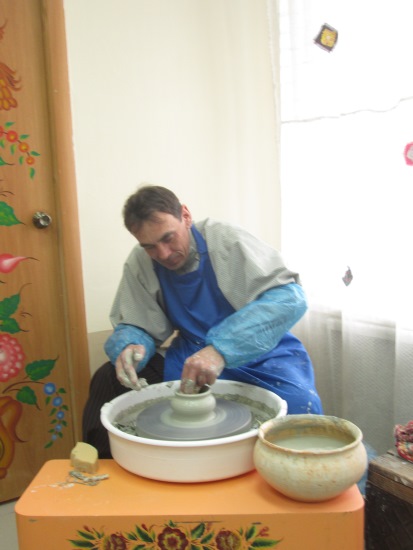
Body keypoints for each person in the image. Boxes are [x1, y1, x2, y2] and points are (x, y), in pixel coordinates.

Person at [83, 185, 323, 457]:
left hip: (263, 353)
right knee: (107, 377)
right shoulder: (141, 261)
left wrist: (221, 350)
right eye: (149, 246)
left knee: (300, 409)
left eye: (168, 238)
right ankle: (97, 470)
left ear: (185, 215)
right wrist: (132, 345)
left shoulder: (226, 240)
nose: (163, 254)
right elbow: (137, 323)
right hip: (191, 355)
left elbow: (289, 298)